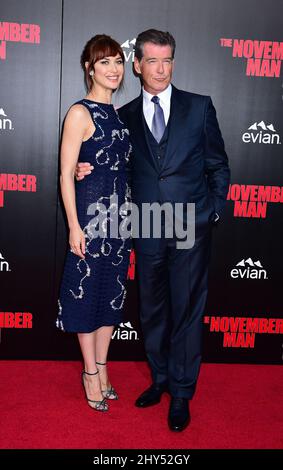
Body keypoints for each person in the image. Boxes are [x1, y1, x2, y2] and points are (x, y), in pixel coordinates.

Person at [76, 29, 230, 430]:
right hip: (143, 227)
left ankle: (181, 392)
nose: (161, 70)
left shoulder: (199, 108)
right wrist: (82, 168)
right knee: (153, 310)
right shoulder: (123, 116)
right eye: (153, 61)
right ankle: (160, 379)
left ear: (173, 63)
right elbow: (113, 166)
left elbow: (218, 165)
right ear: (138, 65)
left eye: (168, 61)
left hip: (189, 225)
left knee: (187, 310)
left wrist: (210, 212)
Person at [57, 34, 132, 412]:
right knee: (86, 296)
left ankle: (102, 367)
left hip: (120, 223)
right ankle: (89, 373)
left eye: (118, 61)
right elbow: (66, 173)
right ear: (90, 68)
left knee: (110, 298)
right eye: (104, 62)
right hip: (89, 220)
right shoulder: (79, 113)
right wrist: (74, 225)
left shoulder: (120, 116)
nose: (114, 68)